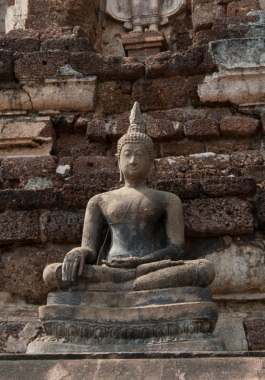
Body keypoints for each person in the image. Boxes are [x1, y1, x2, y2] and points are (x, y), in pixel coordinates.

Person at [44, 104, 214, 294]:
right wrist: (78, 253)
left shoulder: (168, 199)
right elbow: (90, 250)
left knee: (204, 269)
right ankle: (132, 286)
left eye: (140, 154)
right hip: (111, 268)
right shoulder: (99, 201)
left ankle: (119, 288)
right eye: (128, 154)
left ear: (151, 161)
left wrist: (141, 261)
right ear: (118, 160)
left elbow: (176, 249)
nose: (133, 160)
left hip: (150, 268)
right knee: (51, 273)